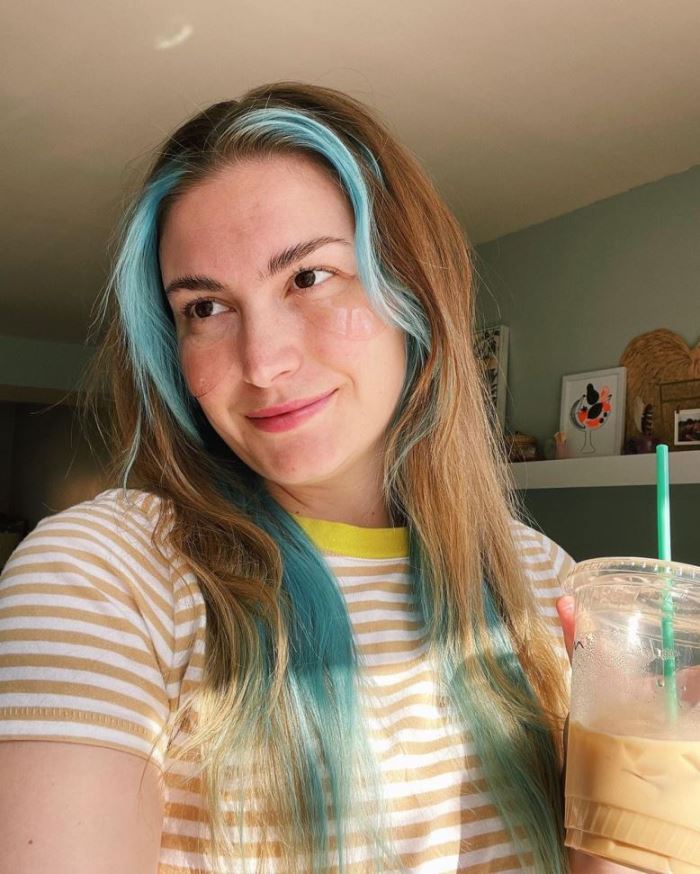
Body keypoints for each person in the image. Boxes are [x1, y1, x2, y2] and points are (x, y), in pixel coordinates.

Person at [0, 82, 627, 874]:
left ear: (416, 297)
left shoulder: (543, 578)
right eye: (204, 308)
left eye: (308, 278)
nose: (262, 363)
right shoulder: (105, 574)